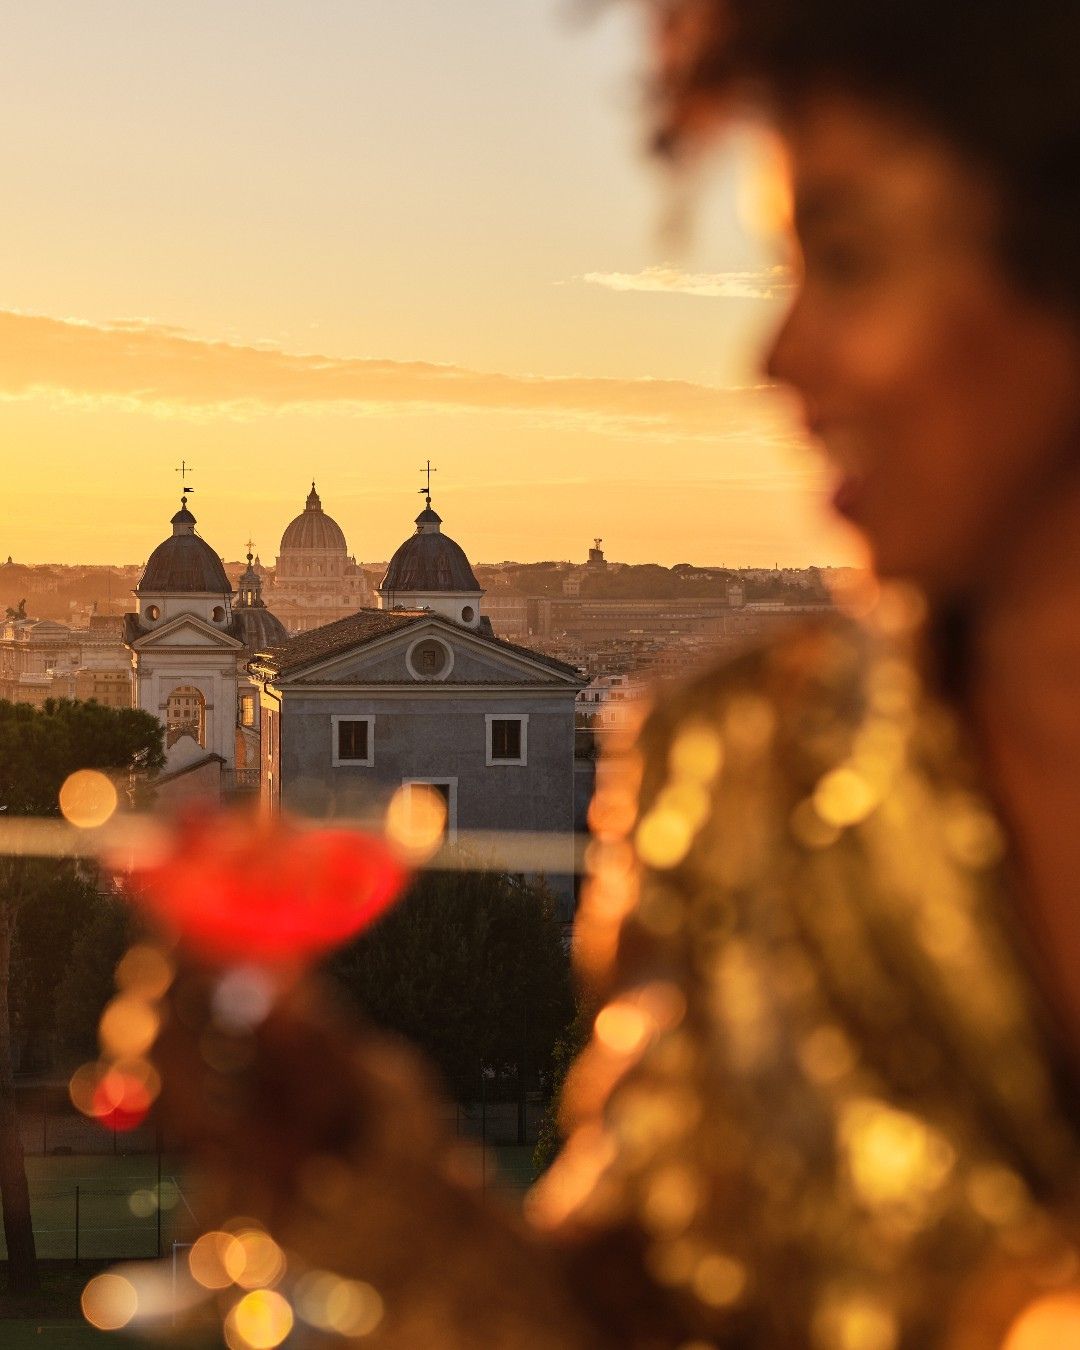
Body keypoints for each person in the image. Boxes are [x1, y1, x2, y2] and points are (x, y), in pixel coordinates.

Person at [141, 2, 1080, 1346]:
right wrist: (352, 1148)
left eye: (854, 262)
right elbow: (600, 1321)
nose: (778, 356)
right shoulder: (745, 771)